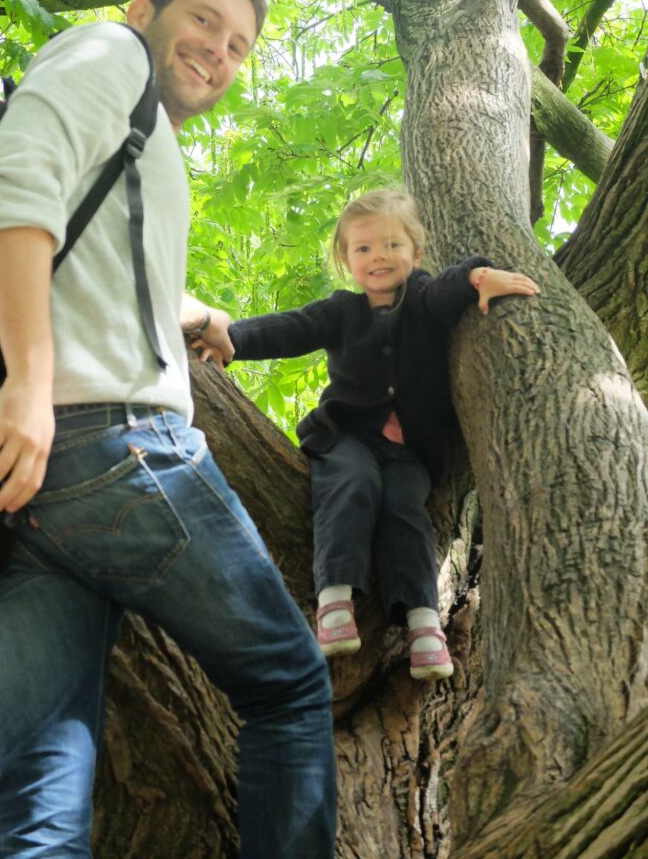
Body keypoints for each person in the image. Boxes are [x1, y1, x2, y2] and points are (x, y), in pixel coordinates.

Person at [0, 0, 336, 859]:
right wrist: (28, 378)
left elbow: (111, 275)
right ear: (143, 11)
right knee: (290, 687)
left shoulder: (141, 133)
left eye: (239, 44)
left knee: (41, 787)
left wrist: (201, 312)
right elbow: (11, 190)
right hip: (111, 447)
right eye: (204, 22)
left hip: (22, 488)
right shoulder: (107, 51)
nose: (219, 50)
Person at [194, 189, 539, 678]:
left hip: (409, 453)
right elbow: (291, 328)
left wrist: (478, 276)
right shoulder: (342, 312)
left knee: (404, 510)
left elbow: (446, 289)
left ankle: (423, 625)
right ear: (346, 260)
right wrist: (231, 340)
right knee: (351, 484)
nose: (378, 256)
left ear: (416, 254)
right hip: (347, 435)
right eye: (363, 249)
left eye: (392, 245)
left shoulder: (422, 300)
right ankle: (334, 600)